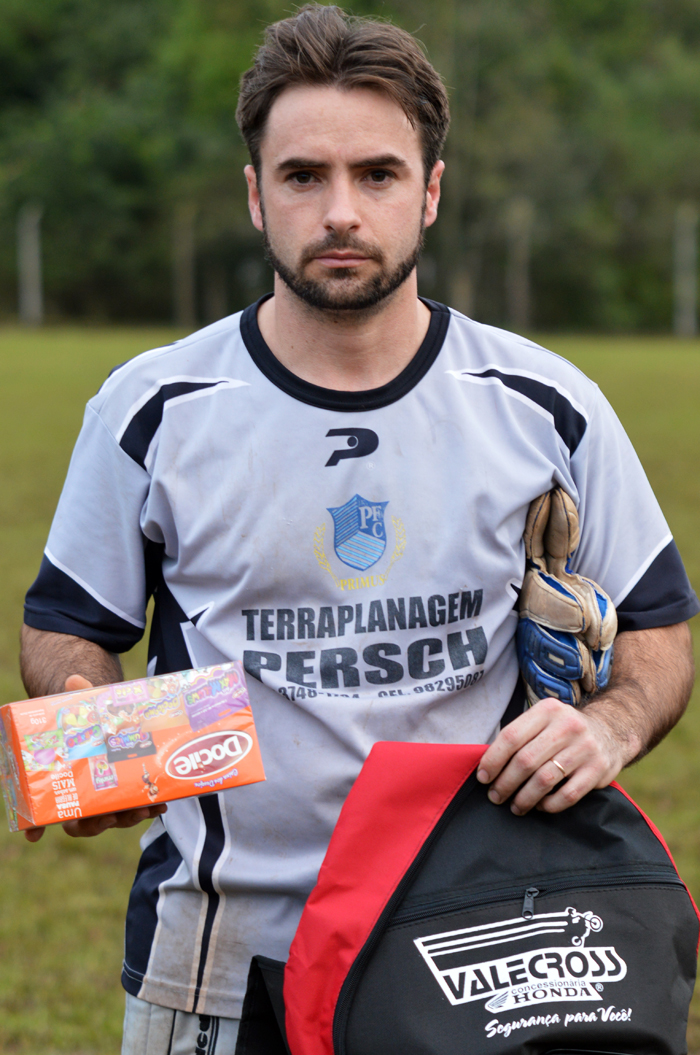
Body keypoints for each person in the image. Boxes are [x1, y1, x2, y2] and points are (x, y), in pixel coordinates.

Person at [19, 6, 698, 1052]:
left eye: (377, 175)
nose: (340, 210)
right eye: (302, 176)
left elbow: (659, 624)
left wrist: (605, 727)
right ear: (255, 194)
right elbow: (68, 619)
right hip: (220, 956)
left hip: (466, 939)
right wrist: (91, 710)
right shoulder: (151, 405)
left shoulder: (543, 404)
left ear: (429, 191)